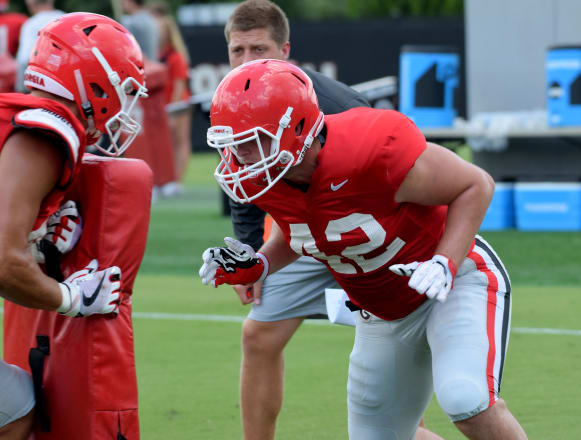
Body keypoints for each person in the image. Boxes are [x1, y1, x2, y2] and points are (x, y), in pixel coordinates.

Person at [200, 59, 528, 440]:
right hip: (383, 313)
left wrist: (444, 262)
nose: (239, 158)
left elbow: (476, 185)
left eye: (250, 142)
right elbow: (300, 232)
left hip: (453, 282)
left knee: (465, 399)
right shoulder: (273, 176)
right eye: (233, 144)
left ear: (298, 128)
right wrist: (259, 265)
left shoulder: (372, 150)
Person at [220, 2, 440, 440]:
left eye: (259, 49)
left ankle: (407, 431)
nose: (247, 62)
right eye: (237, 50)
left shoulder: (340, 104)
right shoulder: (233, 101)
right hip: (298, 235)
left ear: (285, 49)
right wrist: (250, 256)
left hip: (370, 233)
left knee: (385, 365)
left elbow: (403, 171)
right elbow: (244, 182)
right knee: (258, 336)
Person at [0, 12, 147, 439]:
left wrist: (36, 242)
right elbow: (3, 263)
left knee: (12, 403)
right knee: (15, 409)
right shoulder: (49, 131)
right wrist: (71, 298)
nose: (124, 104)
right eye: (123, 88)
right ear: (94, 83)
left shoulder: (22, 117)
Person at [150, 1, 191, 197]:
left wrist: (172, 105)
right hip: (161, 106)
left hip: (178, 105)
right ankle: (165, 179)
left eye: (161, 29)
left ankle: (176, 180)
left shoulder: (175, 56)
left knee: (179, 142)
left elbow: (179, 84)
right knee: (163, 145)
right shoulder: (153, 55)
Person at [13, 0, 63, 92]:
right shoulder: (66, 18)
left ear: (30, 3)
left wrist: (20, 88)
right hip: (65, 83)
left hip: (40, 87)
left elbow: (23, 61)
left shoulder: (30, 24)